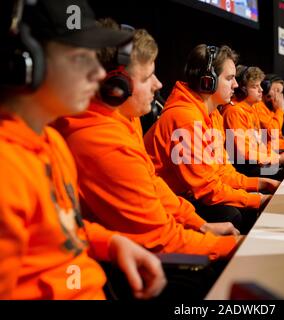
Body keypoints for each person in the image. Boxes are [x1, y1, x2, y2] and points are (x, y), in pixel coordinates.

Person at [0, 0, 165, 299]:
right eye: (79, 57)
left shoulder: (52, 144)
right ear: (23, 62)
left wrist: (110, 242)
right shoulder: (7, 169)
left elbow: (61, 231)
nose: (99, 74)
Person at [52, 21, 240, 260]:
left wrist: (200, 224)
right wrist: (235, 246)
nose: (158, 84)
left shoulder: (127, 118)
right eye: (147, 77)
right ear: (115, 88)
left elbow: (152, 182)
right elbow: (162, 239)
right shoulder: (105, 144)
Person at [143, 45, 276, 234]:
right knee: (233, 213)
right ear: (208, 81)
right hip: (168, 204)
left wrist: (261, 184)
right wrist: (258, 199)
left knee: (243, 206)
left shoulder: (213, 115)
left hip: (187, 195)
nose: (236, 85)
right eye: (229, 78)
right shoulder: (186, 119)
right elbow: (207, 189)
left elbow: (221, 171)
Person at [221, 65, 284, 180]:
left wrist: (275, 157)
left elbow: (260, 145)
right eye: (255, 86)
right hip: (245, 169)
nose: (261, 90)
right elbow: (244, 154)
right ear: (242, 89)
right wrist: (278, 159)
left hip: (256, 163)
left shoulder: (252, 108)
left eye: (260, 85)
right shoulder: (234, 111)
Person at [256, 73, 284, 153]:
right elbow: (273, 134)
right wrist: (280, 110)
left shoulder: (271, 109)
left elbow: (280, 139)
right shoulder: (258, 106)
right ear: (265, 87)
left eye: (280, 92)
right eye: (276, 90)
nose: (278, 95)